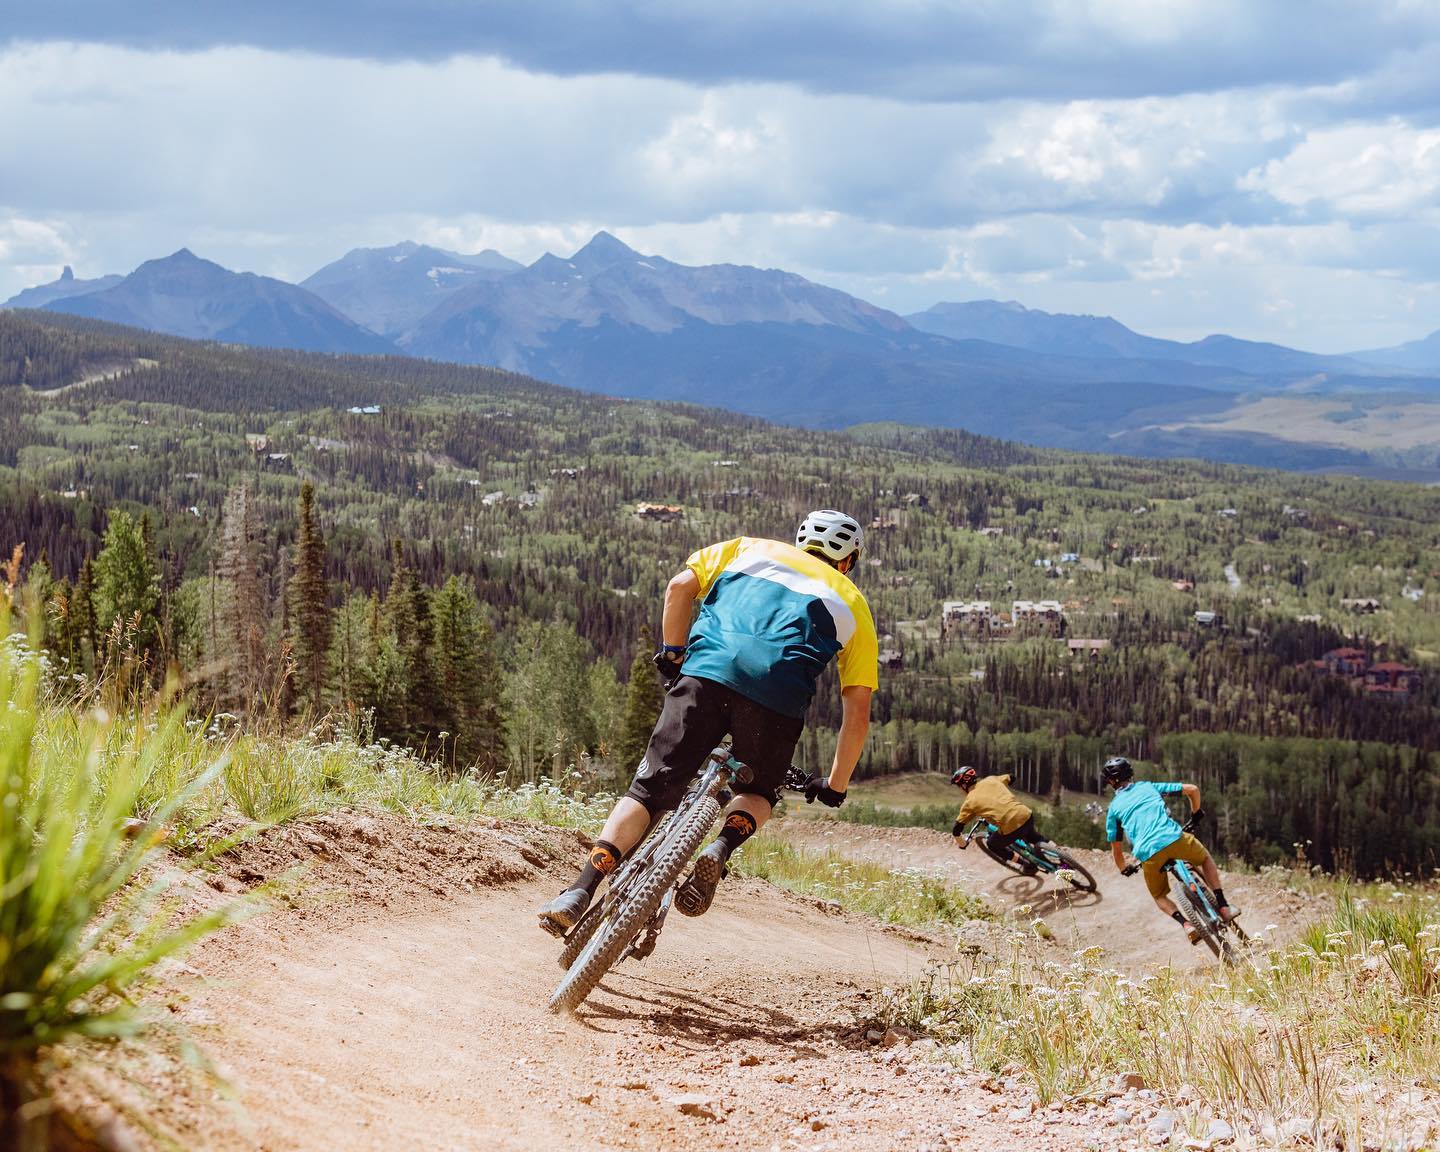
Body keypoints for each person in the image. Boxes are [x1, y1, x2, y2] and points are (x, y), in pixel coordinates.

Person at [537, 510, 878, 935]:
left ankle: (581, 889)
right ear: (848, 561)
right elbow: (858, 714)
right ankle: (720, 846)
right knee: (757, 792)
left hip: (707, 675)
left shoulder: (748, 549)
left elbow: (680, 587)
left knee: (647, 792)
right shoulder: (854, 602)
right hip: (776, 701)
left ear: (799, 540)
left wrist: (673, 653)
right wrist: (835, 784)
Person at [1102, 756, 1239, 943]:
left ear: (1110, 782)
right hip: (1173, 838)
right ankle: (1223, 906)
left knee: (1159, 895)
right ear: (1130, 773)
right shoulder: (1148, 787)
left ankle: (1186, 924)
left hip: (1148, 854)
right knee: (1205, 859)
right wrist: (1196, 814)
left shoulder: (1113, 810)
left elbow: (1116, 849)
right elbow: (1192, 789)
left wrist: (1123, 868)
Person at [949, 766, 1049, 872]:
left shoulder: (969, 802)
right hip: (1025, 814)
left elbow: (956, 830)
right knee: (1034, 837)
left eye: (959, 787)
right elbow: (1011, 777)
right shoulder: (991, 780)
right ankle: (1058, 852)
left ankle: (1027, 865)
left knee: (992, 845)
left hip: (1010, 826)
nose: (960, 790)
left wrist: (963, 844)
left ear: (964, 785)